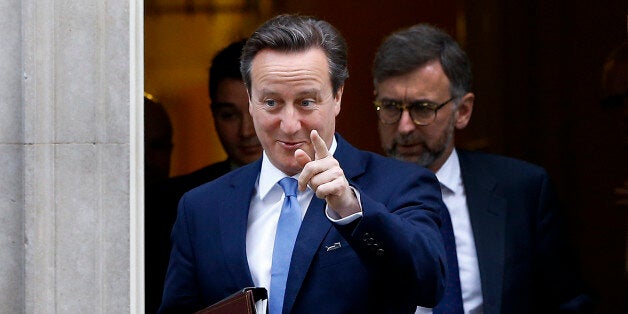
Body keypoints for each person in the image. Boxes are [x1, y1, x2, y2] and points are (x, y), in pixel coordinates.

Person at [159, 14, 448, 313]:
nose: (289, 124)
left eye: (306, 102)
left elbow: (429, 284)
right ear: (250, 100)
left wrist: (351, 209)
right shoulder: (200, 208)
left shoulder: (400, 185)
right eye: (271, 103)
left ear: (337, 97)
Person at [372, 24, 593, 314]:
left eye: (422, 108)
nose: (404, 127)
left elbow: (568, 302)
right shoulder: (352, 198)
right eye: (390, 107)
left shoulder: (522, 190)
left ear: (462, 111)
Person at [145, 40, 263, 313]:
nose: (246, 130)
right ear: (213, 114)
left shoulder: (327, 191)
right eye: (228, 115)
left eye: (256, 111)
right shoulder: (172, 204)